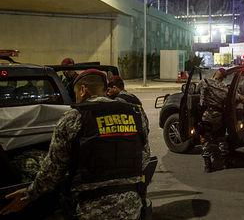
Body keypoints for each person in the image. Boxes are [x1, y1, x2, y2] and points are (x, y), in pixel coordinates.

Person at [0, 69, 150, 220]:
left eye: (76, 93)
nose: (76, 98)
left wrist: (29, 194)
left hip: (90, 210)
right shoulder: (136, 113)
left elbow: (53, 170)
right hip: (131, 208)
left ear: (83, 90)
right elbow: (145, 157)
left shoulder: (74, 117)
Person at [198, 68, 231, 173]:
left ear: (216, 73)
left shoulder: (205, 82)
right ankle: (225, 162)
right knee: (221, 138)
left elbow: (200, 99)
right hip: (219, 116)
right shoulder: (225, 89)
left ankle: (207, 165)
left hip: (207, 115)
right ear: (224, 77)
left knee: (205, 140)